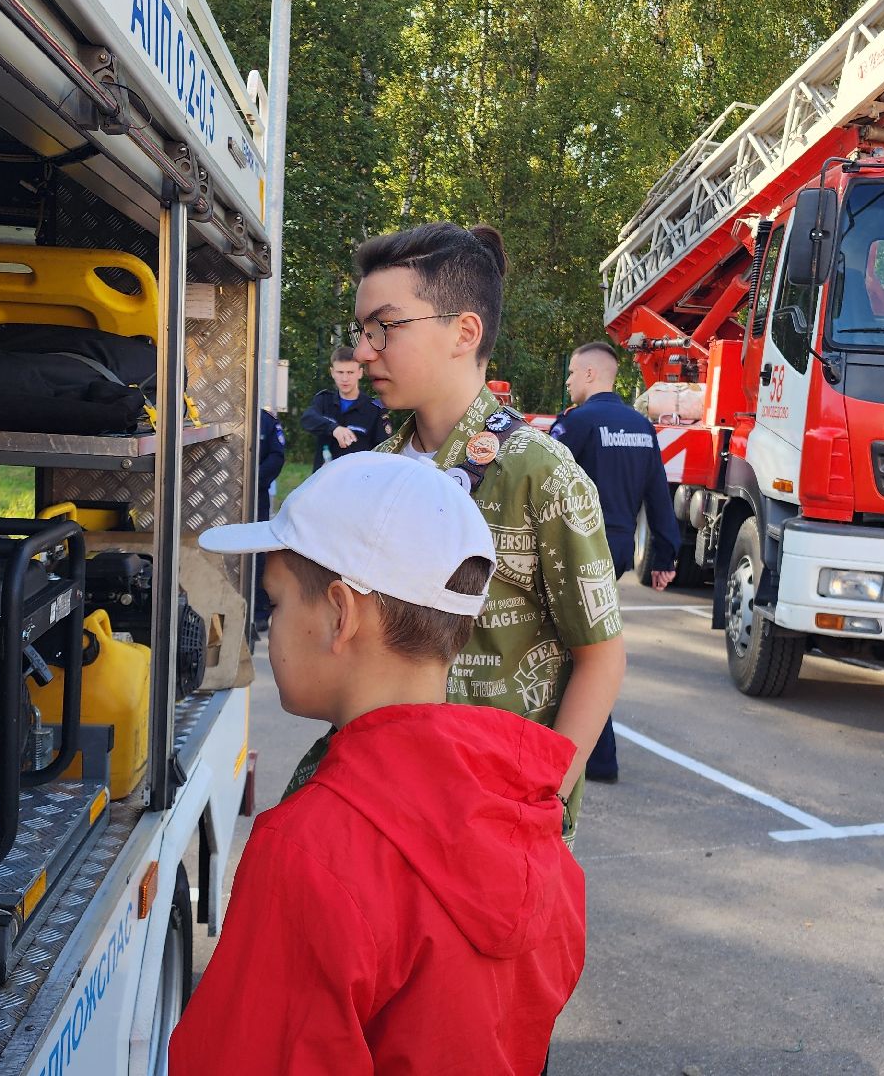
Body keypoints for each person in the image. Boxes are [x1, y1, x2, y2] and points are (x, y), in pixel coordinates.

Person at [174, 453, 585, 1074]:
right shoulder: (532, 826)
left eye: (277, 603)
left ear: (340, 614)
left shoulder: (309, 853)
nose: (269, 629)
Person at [287, 220, 625, 846]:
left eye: (384, 327)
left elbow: (600, 656)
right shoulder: (377, 472)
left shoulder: (540, 476)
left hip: (484, 832)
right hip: (377, 809)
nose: (365, 352)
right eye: (362, 332)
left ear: (463, 331)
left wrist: (542, 810)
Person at [550, 341, 681, 783]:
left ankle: (598, 756)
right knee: (590, 643)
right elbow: (658, 495)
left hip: (578, 547)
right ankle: (595, 754)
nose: (568, 381)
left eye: (571, 372)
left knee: (575, 648)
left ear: (590, 375)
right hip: (619, 550)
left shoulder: (577, 424)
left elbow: (545, 483)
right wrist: (665, 554)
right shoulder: (641, 427)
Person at [300, 344, 391, 469]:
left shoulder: (375, 409)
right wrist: (334, 429)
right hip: (324, 480)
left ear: (360, 373)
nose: (345, 378)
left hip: (357, 481)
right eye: (340, 372)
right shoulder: (324, 401)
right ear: (332, 372)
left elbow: (384, 451)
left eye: (350, 372)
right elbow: (307, 419)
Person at [250, 408, 288, 634]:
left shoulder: (266, 422)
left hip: (257, 496)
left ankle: (259, 611)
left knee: (258, 554)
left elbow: (276, 456)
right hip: (228, 492)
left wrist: (254, 478)